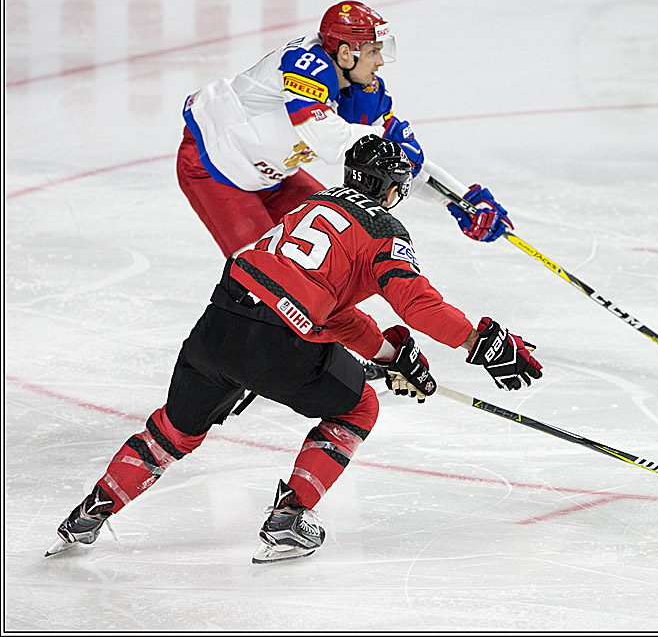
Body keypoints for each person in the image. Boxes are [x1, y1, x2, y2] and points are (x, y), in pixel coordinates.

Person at [47, 136, 543, 564]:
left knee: (172, 432)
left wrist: (388, 355)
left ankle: (90, 513)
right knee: (359, 408)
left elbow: (328, 311)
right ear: (391, 188)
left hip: (220, 322)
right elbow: (420, 307)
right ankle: (289, 518)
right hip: (279, 342)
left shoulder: (310, 204)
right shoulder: (383, 231)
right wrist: (482, 342)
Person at [177, 0, 513, 259]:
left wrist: (461, 200)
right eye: (373, 52)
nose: (380, 61)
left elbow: (398, 160)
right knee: (265, 277)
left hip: (274, 176)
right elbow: (328, 141)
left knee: (338, 251)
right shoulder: (305, 64)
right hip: (214, 166)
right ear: (344, 53)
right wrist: (385, 141)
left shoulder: (364, 89)